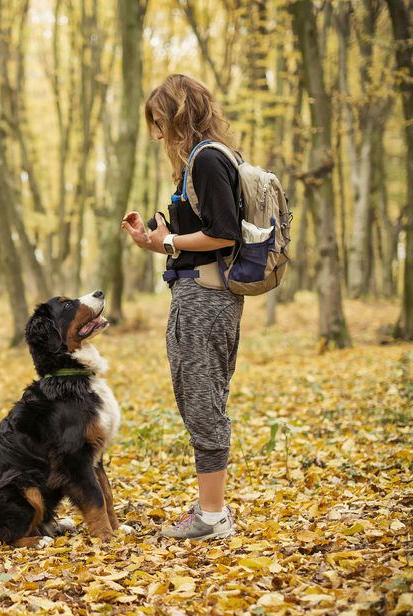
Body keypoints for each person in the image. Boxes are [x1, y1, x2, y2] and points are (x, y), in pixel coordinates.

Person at [120, 73, 243, 540]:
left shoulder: (207, 160)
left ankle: (212, 517)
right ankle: (210, 509)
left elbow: (224, 233)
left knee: (202, 402)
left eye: (159, 122)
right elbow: (199, 238)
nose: (156, 134)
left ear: (178, 115)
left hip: (205, 300)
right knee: (201, 398)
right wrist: (155, 241)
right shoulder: (201, 160)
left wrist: (168, 238)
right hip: (199, 293)